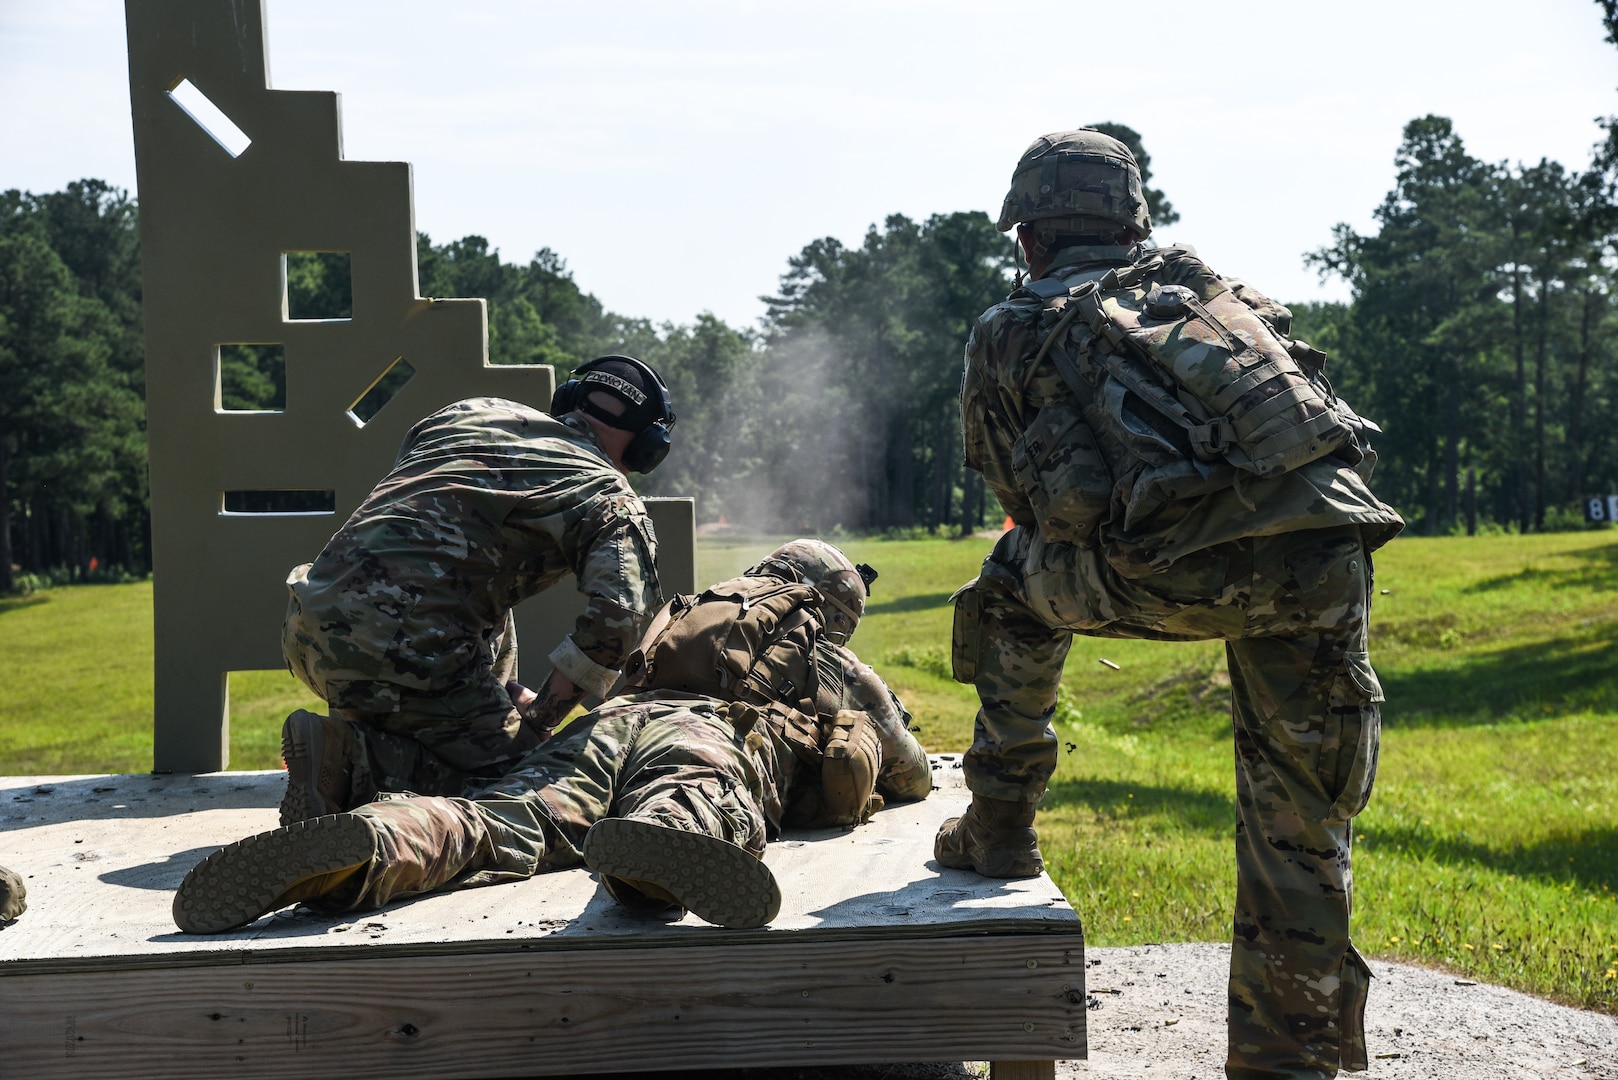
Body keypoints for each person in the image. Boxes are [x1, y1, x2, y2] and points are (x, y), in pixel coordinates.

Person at [941, 129, 1403, 1079]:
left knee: (1006, 586)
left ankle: (1001, 823)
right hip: (1322, 560)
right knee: (1299, 826)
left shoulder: (1012, 325)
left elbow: (1021, 507)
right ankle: (1289, 1056)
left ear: (1026, 235)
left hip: (1168, 565)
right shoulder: (1221, 299)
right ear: (1134, 221)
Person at [173, 550, 930, 935]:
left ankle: (372, 842)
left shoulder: (682, 614)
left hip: (600, 729)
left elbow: (613, 683)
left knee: (507, 818)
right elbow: (910, 774)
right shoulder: (823, 650)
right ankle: (655, 856)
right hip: (707, 734)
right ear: (837, 610)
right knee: (692, 795)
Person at [277, 355, 675, 827]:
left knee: (482, 591)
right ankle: (356, 763)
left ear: (569, 400)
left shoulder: (475, 411)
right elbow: (622, 617)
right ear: (648, 447)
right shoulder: (606, 492)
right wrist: (542, 717)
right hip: (402, 653)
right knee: (545, 789)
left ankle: (386, 735)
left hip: (307, 623)